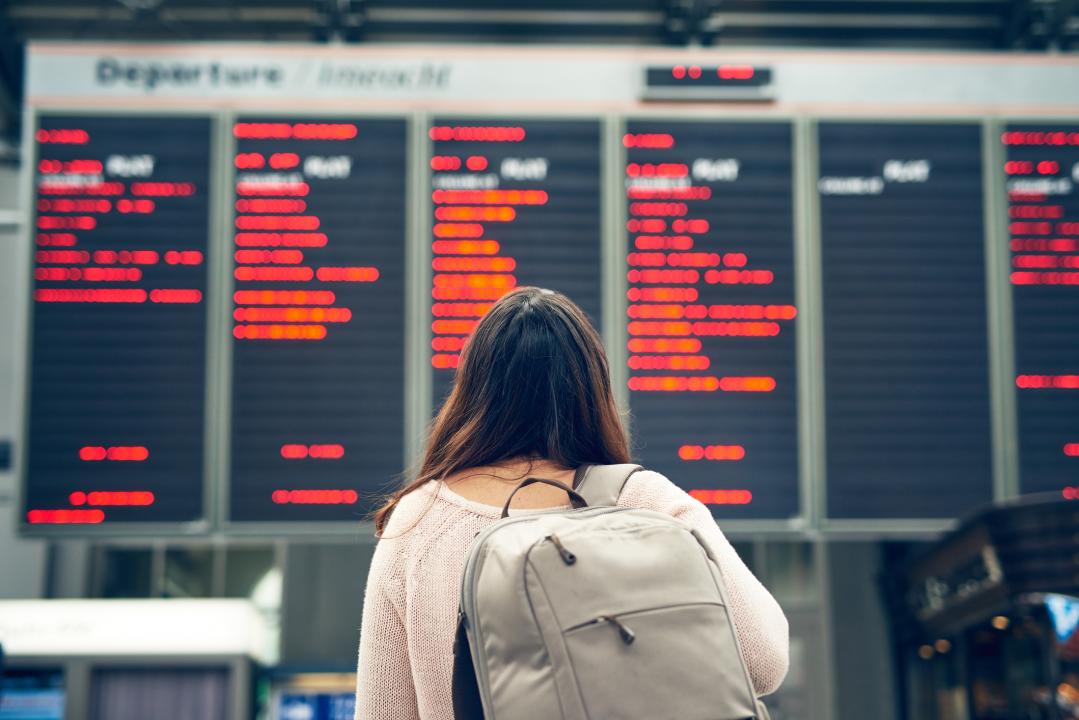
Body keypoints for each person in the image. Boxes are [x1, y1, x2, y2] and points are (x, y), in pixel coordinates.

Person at [355, 286, 789, 719]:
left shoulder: (418, 521)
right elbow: (764, 663)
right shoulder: (645, 501)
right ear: (591, 387)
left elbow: (382, 711)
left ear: (472, 389)